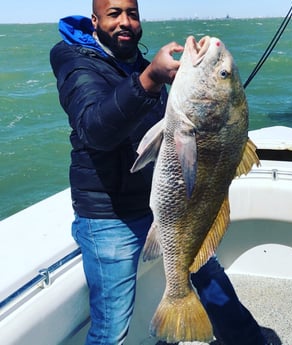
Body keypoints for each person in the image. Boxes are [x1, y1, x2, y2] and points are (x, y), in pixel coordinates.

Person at [50, 1, 266, 344]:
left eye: (132, 14)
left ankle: (247, 339)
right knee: (111, 326)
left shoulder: (139, 62)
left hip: (170, 205)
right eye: (114, 14)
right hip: (109, 215)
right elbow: (95, 130)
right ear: (94, 20)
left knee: (211, 275)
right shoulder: (75, 63)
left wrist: (156, 76)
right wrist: (151, 78)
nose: (125, 22)